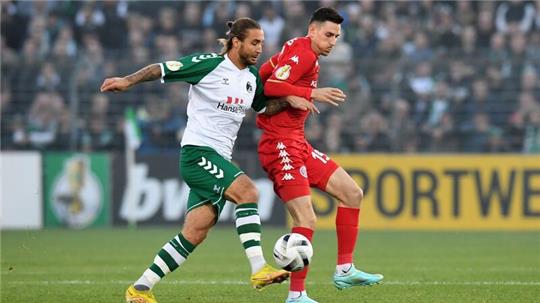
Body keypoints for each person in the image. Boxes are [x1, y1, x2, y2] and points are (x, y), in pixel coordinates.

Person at [100, 17, 318, 303]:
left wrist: (290, 99)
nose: (259, 49)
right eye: (254, 42)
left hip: (218, 157)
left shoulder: (251, 78)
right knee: (248, 192)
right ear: (236, 41)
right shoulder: (209, 65)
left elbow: (264, 108)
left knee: (195, 232)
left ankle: (139, 289)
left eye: (262, 43)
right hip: (197, 153)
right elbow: (161, 69)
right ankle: (258, 268)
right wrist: (127, 81)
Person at [256, 7, 384, 303]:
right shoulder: (304, 54)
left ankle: (344, 268)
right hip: (280, 145)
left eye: (337, 37)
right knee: (307, 219)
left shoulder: (297, 48)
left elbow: (266, 75)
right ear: (312, 30)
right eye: (328, 35)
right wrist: (310, 93)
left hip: (298, 142)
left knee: (352, 194)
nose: (333, 42)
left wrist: (279, 95)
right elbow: (273, 84)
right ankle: (296, 295)